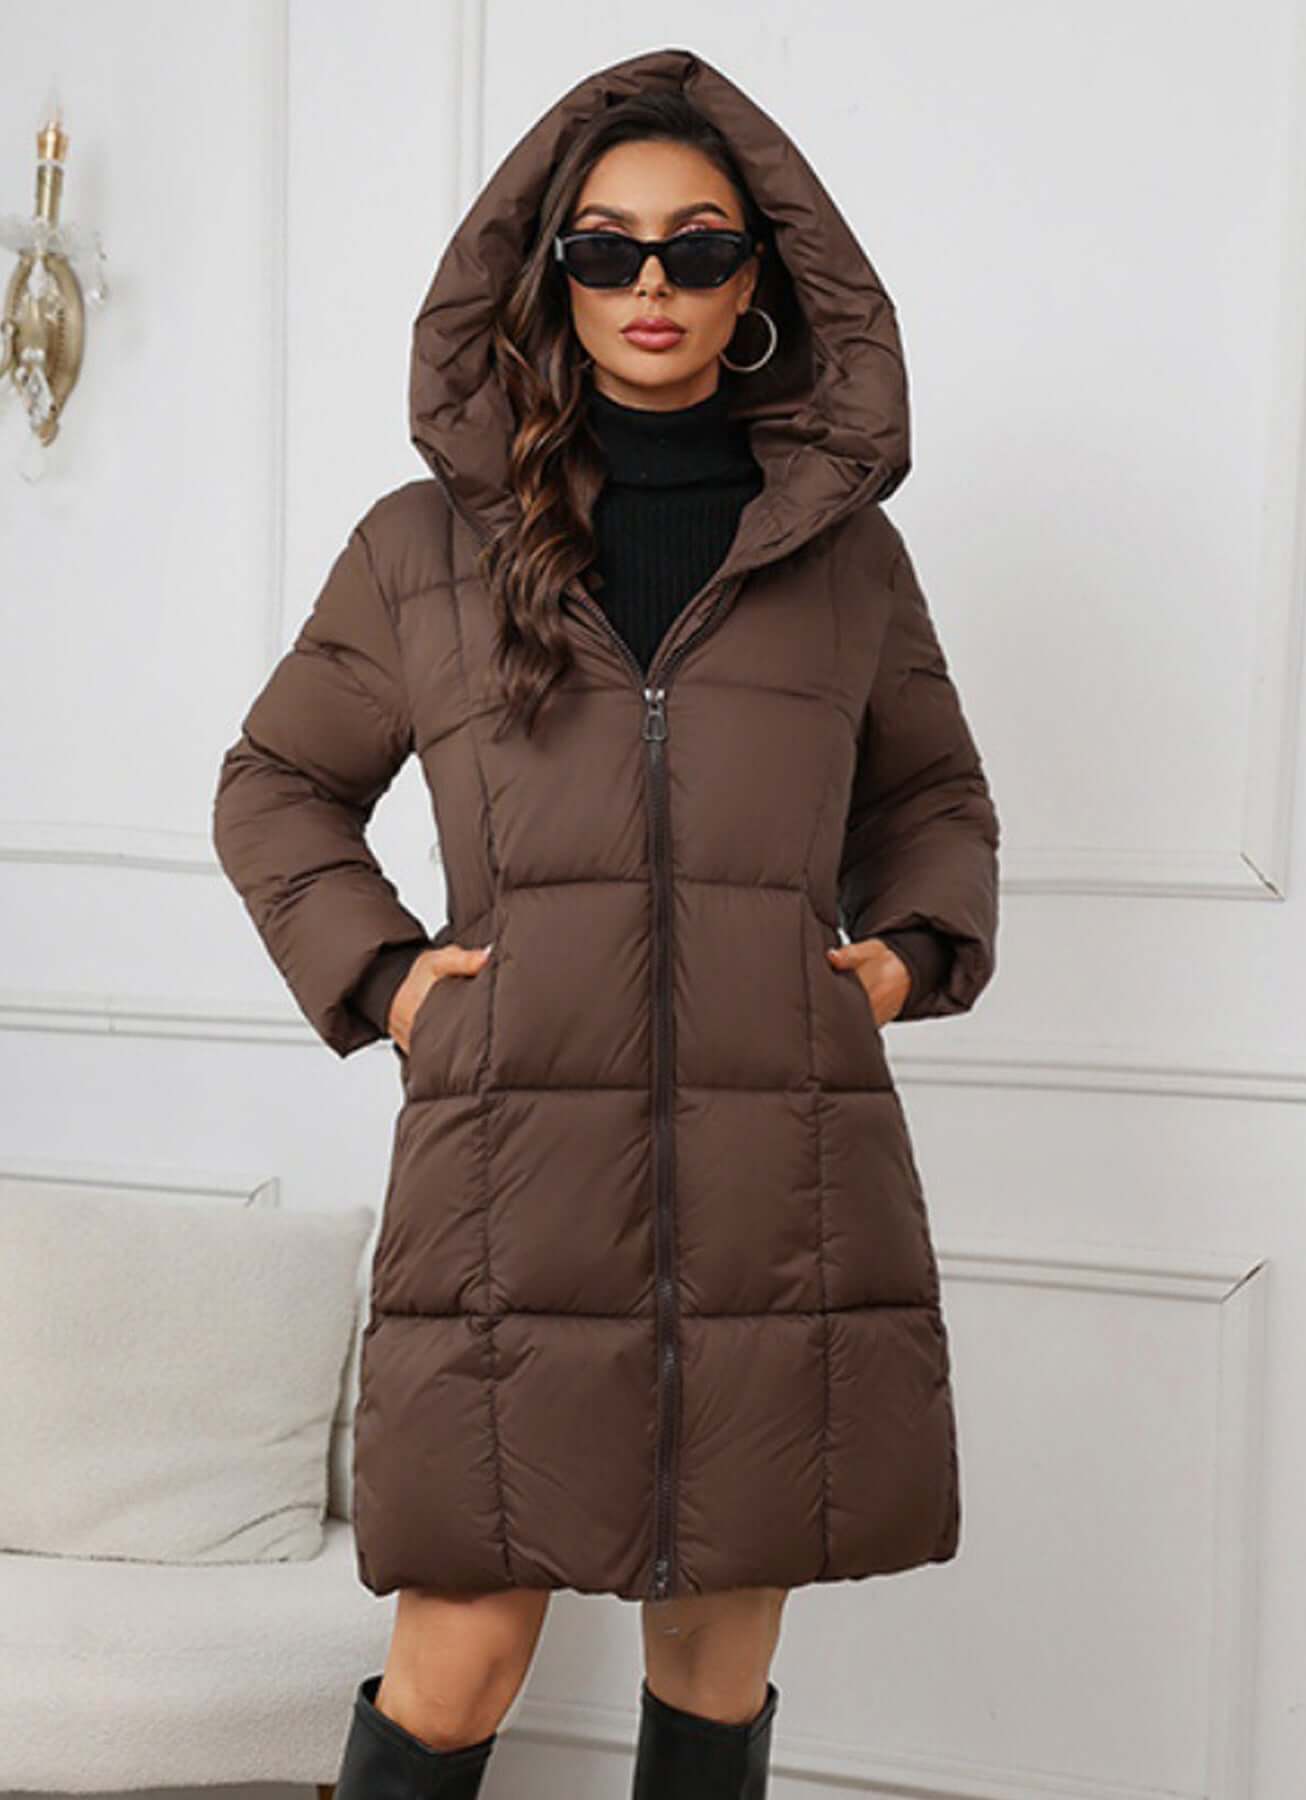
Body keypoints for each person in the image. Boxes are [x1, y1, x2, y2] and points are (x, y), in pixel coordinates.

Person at [212, 46, 1000, 1800]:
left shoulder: (843, 558)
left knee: (715, 1657)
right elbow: (275, 782)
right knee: (460, 1659)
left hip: (775, 1180)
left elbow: (934, 795)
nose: (653, 283)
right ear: (546, 275)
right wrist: (391, 980)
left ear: (759, 280)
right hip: (508, 1176)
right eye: (606, 247)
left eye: (698, 247)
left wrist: (904, 954)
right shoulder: (422, 547)